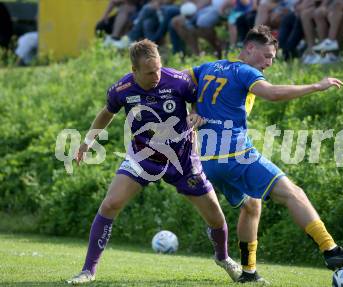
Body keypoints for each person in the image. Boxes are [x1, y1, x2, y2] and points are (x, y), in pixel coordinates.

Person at [187, 25, 343, 283]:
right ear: (249, 48)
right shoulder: (245, 71)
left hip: (207, 160)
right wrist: (316, 86)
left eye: (272, 59)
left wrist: (191, 109)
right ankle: (331, 250)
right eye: (266, 56)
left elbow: (178, 83)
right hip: (235, 154)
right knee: (293, 193)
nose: (268, 63)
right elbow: (272, 93)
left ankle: (249, 273)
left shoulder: (208, 67)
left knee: (252, 204)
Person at [66, 39, 241, 284]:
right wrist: (88, 141)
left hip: (182, 158)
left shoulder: (178, 81)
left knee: (215, 217)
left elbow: (197, 103)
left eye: (159, 68)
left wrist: (193, 114)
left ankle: (223, 258)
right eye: (150, 72)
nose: (156, 75)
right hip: (143, 156)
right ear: (134, 70)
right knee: (110, 204)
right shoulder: (122, 89)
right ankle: (88, 271)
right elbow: (107, 112)